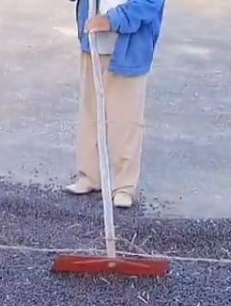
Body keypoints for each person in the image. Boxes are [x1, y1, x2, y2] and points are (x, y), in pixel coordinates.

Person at [65, 0, 166, 209]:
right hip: (93, 42)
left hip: (130, 48)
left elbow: (149, 4)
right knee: (90, 114)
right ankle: (89, 175)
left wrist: (112, 20)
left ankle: (124, 186)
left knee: (125, 119)